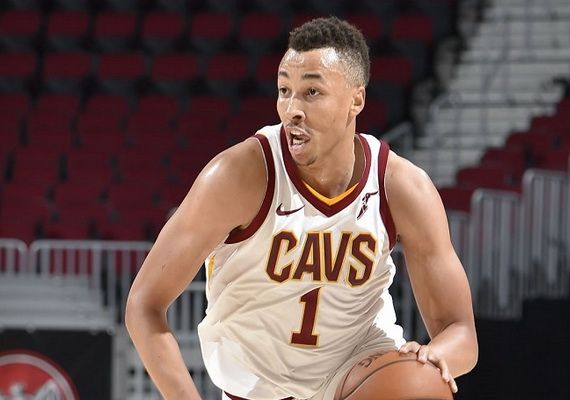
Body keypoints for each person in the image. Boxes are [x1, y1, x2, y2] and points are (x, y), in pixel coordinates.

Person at [125, 17, 478, 400]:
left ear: (356, 100)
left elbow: (460, 332)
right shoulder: (238, 176)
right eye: (284, 90)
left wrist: (435, 358)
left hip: (355, 373)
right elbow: (144, 305)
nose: (292, 108)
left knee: (421, 386)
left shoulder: (402, 187)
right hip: (259, 387)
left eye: (312, 92)